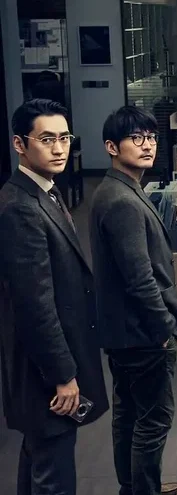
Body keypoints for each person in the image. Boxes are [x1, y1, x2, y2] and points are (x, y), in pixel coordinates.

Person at [0, 99, 109, 495]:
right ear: (20, 144)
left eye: (64, 138)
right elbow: (34, 305)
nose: (60, 148)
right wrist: (63, 375)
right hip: (43, 370)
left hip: (47, 361)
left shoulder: (44, 190)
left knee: (38, 460)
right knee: (54, 475)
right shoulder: (20, 207)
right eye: (47, 139)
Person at [90, 106, 177, 495]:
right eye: (136, 138)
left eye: (151, 137)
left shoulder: (119, 189)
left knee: (130, 414)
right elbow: (139, 278)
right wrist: (163, 330)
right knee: (153, 419)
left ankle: (133, 486)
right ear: (112, 147)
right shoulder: (122, 201)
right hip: (141, 332)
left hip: (126, 331)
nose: (147, 145)